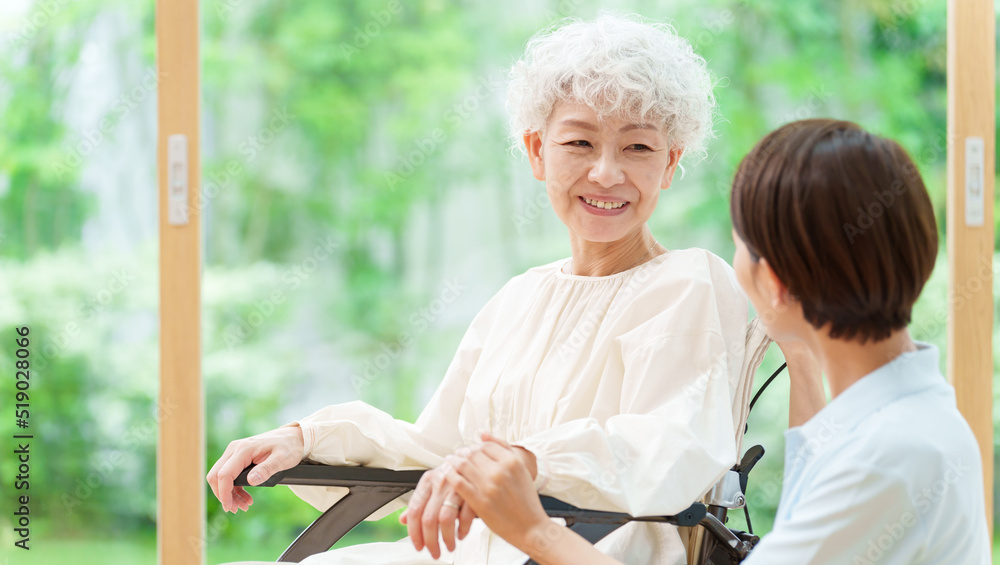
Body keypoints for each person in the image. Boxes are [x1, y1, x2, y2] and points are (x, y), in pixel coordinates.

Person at [209, 13, 765, 565]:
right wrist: (308, 439)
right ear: (536, 152)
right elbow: (438, 449)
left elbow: (671, 445)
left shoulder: (689, 280)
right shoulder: (520, 298)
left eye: (638, 149)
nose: (604, 173)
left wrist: (522, 461)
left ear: (670, 164)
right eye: (578, 142)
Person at [443, 119, 992, 564]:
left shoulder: (890, 458)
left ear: (773, 281)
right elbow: (811, 488)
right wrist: (798, 355)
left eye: (741, 246)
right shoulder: (907, 421)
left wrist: (535, 531)